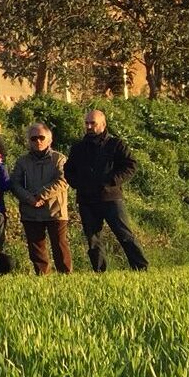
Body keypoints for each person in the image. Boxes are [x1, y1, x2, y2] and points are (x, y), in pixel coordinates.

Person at [64, 109, 148, 272]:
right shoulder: (78, 148)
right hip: (87, 199)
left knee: (124, 235)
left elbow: (130, 165)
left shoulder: (116, 144)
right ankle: (99, 271)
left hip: (110, 198)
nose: (89, 126)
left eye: (92, 123)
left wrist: (111, 182)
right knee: (93, 239)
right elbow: (68, 170)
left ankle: (141, 267)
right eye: (87, 123)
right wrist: (78, 184)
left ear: (103, 124)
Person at [11, 122, 71, 274]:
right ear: (29, 141)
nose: (38, 141)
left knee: (60, 245)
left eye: (41, 137)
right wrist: (29, 198)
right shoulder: (22, 161)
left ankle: (66, 276)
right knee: (36, 248)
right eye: (33, 138)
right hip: (30, 211)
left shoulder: (59, 159)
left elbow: (63, 181)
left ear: (49, 140)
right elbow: (15, 184)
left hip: (55, 210)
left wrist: (40, 195)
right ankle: (42, 277)